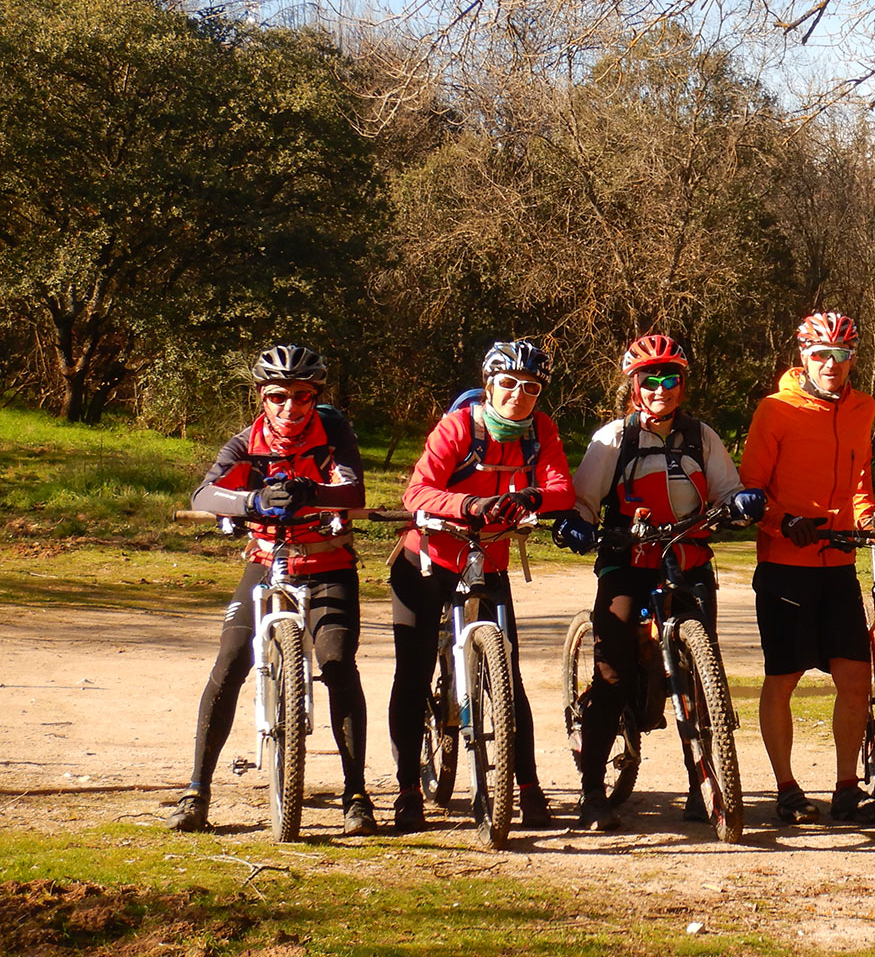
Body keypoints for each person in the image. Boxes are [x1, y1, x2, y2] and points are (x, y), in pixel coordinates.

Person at [551, 334, 766, 832]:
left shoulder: (701, 436)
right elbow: (583, 500)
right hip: (628, 560)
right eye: (650, 380)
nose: (660, 388)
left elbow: (728, 488)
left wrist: (740, 503)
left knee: (697, 675)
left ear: (683, 385)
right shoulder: (613, 439)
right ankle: (592, 792)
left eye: (670, 380)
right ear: (634, 386)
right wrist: (580, 525)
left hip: (687, 558)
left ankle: (702, 785)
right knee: (613, 673)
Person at [167, 345, 375, 836]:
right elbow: (204, 494)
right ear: (262, 396)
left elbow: (353, 491)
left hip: (328, 563)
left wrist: (312, 491)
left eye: (303, 396)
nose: (290, 407)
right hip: (267, 561)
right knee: (233, 657)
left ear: (316, 397)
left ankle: (357, 793)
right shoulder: (245, 442)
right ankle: (197, 789)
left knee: (338, 664)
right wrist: (251, 499)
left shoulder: (334, 434)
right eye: (278, 396)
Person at [388, 340, 576, 832]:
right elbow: (417, 491)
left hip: (487, 559)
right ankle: (408, 789)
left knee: (508, 676)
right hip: (427, 557)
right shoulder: (458, 427)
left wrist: (532, 495)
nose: (519, 394)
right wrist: (469, 505)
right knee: (413, 671)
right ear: (489, 386)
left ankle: (528, 786)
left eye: (531, 387)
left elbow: (562, 489)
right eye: (509, 383)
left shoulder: (541, 431)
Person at [738, 312, 875, 825]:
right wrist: (783, 522)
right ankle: (786, 787)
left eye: (841, 355)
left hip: (838, 561)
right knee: (784, 677)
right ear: (803, 355)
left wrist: (867, 517)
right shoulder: (775, 409)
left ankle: (847, 784)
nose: (831, 365)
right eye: (821, 354)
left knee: (855, 673)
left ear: (852, 360)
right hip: (785, 562)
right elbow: (750, 489)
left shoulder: (862, 407)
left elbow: (860, 476)